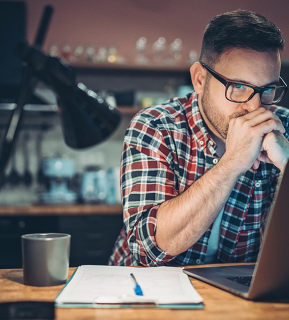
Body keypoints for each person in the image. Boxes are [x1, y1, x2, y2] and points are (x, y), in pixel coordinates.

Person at [109, 10, 289, 267]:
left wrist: (287, 164)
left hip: (238, 298)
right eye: (238, 86)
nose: (255, 107)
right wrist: (233, 162)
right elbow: (149, 249)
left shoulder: (283, 127)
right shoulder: (156, 126)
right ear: (200, 79)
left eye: (267, 89)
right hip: (145, 292)